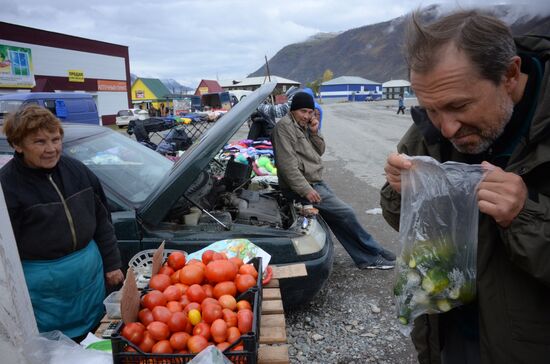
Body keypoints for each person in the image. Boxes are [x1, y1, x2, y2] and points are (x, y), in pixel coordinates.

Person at [380, 10, 550, 364]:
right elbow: (409, 227)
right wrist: (401, 192)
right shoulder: (432, 132)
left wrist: (525, 216)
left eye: (458, 106)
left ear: (510, 74)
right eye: (431, 110)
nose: (447, 129)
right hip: (449, 336)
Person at [0, 105, 124, 341]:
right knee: (55, 347)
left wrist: (112, 263)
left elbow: (102, 219)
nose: (51, 149)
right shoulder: (6, 188)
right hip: (42, 292)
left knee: (96, 340)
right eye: (39, 142)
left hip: (89, 279)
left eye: (55, 139)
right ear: (18, 145)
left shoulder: (76, 170)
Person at [272, 92, 396, 269]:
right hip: (303, 187)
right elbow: (287, 166)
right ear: (293, 110)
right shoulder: (284, 128)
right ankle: (373, 252)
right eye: (303, 111)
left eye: (310, 112)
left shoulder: (302, 125)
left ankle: (367, 256)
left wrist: (315, 132)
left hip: (315, 182)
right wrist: (306, 190)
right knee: (346, 213)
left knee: (339, 219)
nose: (307, 116)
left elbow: (319, 151)